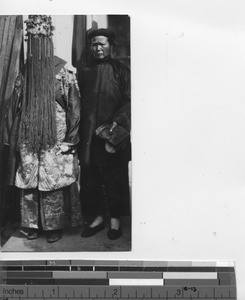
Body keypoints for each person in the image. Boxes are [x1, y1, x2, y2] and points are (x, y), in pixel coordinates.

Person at [3, 15, 81, 243]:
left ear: (49, 39)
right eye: (32, 38)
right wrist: (11, 136)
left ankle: (54, 225)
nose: (37, 42)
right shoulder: (25, 74)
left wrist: (70, 139)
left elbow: (74, 108)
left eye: (41, 38)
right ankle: (32, 223)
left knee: (52, 180)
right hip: (29, 137)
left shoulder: (63, 72)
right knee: (30, 178)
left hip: (55, 137)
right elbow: (14, 108)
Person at [77, 28, 131, 240]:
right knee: (91, 177)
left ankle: (115, 221)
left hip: (113, 131)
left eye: (102, 44)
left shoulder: (120, 69)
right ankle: (98, 218)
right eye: (94, 44)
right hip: (89, 133)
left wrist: (116, 125)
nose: (98, 48)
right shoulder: (85, 69)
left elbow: (129, 100)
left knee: (115, 176)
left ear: (110, 45)